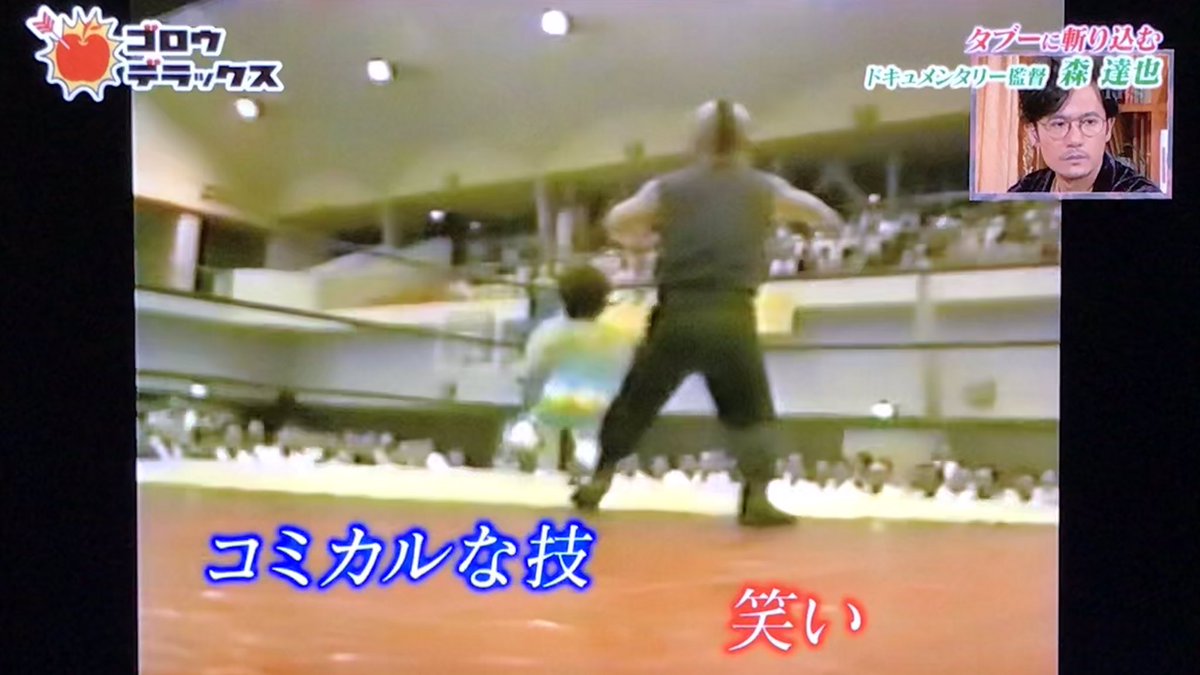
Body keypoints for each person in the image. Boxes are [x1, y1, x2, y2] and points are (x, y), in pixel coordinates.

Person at [570, 99, 843, 526]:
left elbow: (617, 221)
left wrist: (646, 239)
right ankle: (756, 496)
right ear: (746, 142)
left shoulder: (667, 188)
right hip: (733, 312)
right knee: (750, 408)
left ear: (695, 142)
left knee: (636, 401)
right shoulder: (763, 187)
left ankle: (599, 480)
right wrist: (770, 227)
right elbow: (824, 217)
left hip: (678, 310)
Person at [520, 264, 635, 474]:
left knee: (543, 431)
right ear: (603, 302)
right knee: (591, 436)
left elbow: (532, 372)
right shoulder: (618, 338)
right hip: (600, 407)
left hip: (554, 405)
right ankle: (588, 456)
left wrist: (530, 406)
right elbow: (625, 374)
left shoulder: (549, 332)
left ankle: (544, 465)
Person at [1008, 56, 1159, 194]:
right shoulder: (1023, 194)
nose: (1075, 140)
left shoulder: (1140, 195)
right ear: (1034, 134)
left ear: (1108, 128)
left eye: (1089, 122)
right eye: (1059, 124)